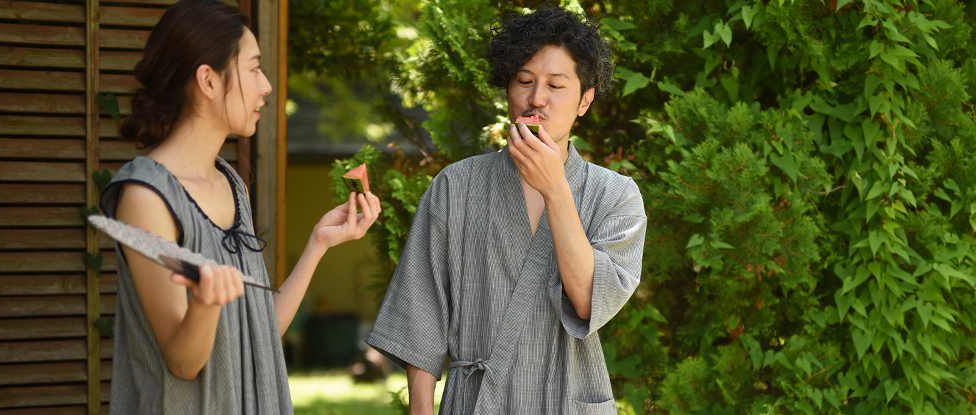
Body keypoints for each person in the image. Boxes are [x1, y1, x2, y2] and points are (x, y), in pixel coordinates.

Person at [99, 1, 381, 413]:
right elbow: (183, 362)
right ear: (209, 81)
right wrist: (205, 303)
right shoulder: (145, 196)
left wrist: (318, 244)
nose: (266, 85)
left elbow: (260, 332)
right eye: (253, 68)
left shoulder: (230, 184)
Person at [365, 6, 647, 415]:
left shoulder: (615, 195)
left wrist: (555, 189)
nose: (537, 99)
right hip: (476, 402)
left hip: (566, 400)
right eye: (525, 81)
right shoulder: (456, 186)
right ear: (508, 90)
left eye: (556, 85)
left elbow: (588, 301)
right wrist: (421, 409)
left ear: (584, 99)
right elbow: (419, 309)